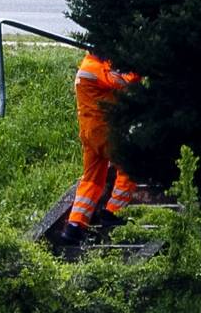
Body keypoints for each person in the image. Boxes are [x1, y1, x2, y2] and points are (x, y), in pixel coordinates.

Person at [59, 51, 141, 246]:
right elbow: (121, 82)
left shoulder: (91, 65)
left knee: (92, 180)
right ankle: (113, 212)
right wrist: (140, 68)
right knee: (130, 166)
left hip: (90, 133)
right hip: (103, 130)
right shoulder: (93, 68)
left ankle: (74, 227)